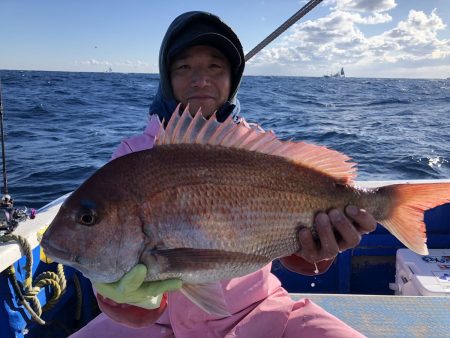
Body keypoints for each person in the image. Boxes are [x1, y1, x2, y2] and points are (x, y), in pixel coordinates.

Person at [71, 11, 376, 338]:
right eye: (184, 67)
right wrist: (123, 298)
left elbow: (293, 250)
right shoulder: (132, 158)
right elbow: (124, 289)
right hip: (158, 326)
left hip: (259, 314)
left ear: (233, 78)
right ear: (167, 77)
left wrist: (316, 252)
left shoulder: (257, 149)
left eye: (215, 67)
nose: (200, 79)